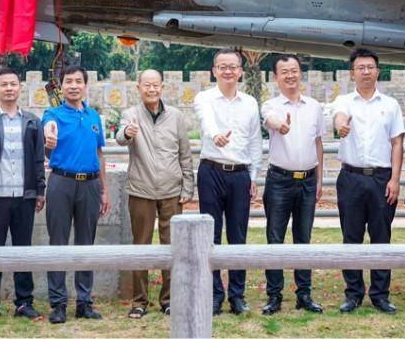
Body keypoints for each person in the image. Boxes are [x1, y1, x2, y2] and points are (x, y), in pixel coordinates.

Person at [115, 69, 194, 319]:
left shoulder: (176, 116)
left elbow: (185, 154)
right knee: (141, 246)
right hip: (141, 190)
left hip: (172, 191)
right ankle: (140, 301)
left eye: (156, 85)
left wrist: (187, 187)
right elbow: (120, 137)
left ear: (162, 87)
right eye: (147, 85)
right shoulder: (130, 114)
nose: (151, 89)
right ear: (138, 88)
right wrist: (127, 133)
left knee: (172, 246)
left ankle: (169, 299)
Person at [332, 48, 405, 315]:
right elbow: (339, 118)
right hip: (350, 178)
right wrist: (341, 127)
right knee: (351, 237)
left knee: (381, 237)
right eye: (360, 68)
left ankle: (380, 294)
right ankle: (353, 294)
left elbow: (397, 143)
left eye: (370, 67)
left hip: (381, 179)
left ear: (377, 71)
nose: (366, 72)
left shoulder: (390, 105)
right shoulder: (343, 101)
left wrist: (395, 179)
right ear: (352, 73)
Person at [0, 67, 46, 322]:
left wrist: (40, 191)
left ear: (20, 87)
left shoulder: (32, 121)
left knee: (23, 248)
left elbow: (38, 159)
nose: (9, 88)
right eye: (4, 84)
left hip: (24, 196)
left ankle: (24, 302)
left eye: (13, 84)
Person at [193, 48, 262, 315]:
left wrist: (253, 176)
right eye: (222, 67)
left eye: (233, 66)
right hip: (211, 171)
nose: (228, 71)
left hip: (240, 175)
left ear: (241, 71)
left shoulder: (250, 103)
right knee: (210, 234)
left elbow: (255, 141)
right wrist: (215, 135)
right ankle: (213, 294)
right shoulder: (204, 98)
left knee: (238, 235)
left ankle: (237, 295)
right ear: (214, 71)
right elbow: (206, 120)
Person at [42, 65, 111, 324]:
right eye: (68, 81)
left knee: (86, 243)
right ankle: (58, 303)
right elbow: (48, 129)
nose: (73, 85)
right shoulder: (53, 114)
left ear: (85, 85)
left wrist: (104, 190)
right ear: (61, 86)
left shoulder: (93, 116)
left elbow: (99, 154)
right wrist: (49, 136)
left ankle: (84, 302)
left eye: (78, 81)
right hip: (62, 182)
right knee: (58, 242)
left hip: (90, 185)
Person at [260, 54, 325, 316]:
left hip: (308, 180)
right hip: (279, 181)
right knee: (275, 237)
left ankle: (304, 294)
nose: (290, 76)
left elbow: (318, 143)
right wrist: (281, 126)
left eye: (294, 70)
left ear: (300, 73)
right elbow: (270, 120)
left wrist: (319, 179)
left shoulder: (314, 106)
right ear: (276, 77)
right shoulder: (271, 105)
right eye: (284, 72)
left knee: (303, 237)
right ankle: (274, 295)